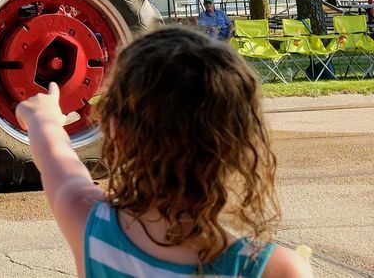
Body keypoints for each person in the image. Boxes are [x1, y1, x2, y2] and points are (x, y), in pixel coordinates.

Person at [17, 27, 312, 278]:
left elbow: (58, 159)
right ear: (239, 141)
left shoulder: (88, 223)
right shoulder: (273, 270)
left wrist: (41, 118)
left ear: (115, 128)